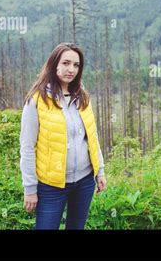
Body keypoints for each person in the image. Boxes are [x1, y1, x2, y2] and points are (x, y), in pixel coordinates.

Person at [19, 42, 106, 230]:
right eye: (66, 63)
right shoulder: (37, 100)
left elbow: (92, 137)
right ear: (54, 64)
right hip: (51, 186)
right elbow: (27, 147)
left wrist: (100, 171)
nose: (71, 69)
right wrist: (30, 189)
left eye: (76, 65)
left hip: (84, 181)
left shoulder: (82, 98)